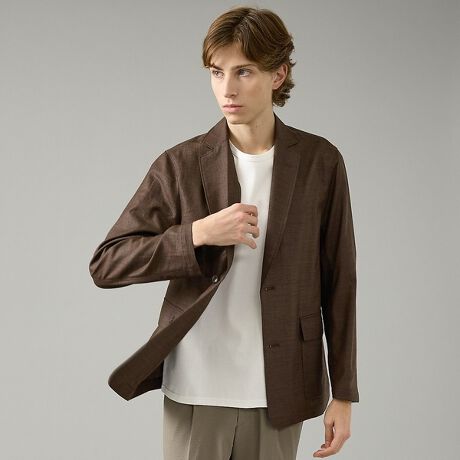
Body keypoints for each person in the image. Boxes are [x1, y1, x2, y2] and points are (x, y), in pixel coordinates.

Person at [89, 6, 359, 460]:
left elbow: (340, 281)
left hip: (281, 387)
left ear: (278, 74)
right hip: (196, 385)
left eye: (244, 71)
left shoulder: (320, 162)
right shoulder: (180, 164)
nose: (227, 89)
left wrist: (344, 393)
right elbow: (107, 263)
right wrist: (197, 233)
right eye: (217, 72)